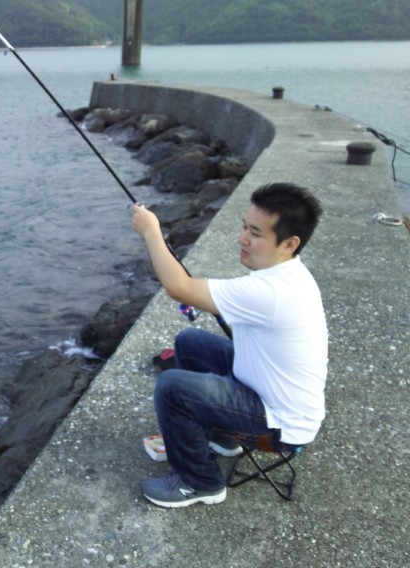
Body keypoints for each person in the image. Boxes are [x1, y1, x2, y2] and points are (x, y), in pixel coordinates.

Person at [131, 182, 327, 508]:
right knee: (190, 341)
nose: (242, 239)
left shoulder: (273, 291)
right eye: (243, 227)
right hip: (266, 392)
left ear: (290, 243)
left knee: (171, 387)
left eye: (255, 233)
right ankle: (223, 435)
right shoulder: (287, 274)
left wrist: (151, 231)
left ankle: (201, 482)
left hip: (280, 426)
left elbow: (179, 287)